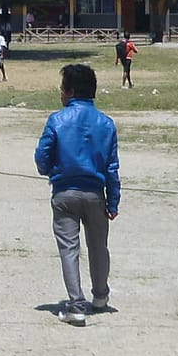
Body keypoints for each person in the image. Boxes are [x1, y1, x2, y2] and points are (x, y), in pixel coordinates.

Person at [34, 62, 120, 327]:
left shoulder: (57, 120)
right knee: (98, 246)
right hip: (95, 193)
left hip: (64, 193)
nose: (60, 94)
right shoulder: (106, 124)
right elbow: (112, 166)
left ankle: (75, 305)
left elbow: (42, 157)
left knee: (69, 250)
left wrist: (50, 170)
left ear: (69, 92)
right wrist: (113, 201)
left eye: (62, 89)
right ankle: (101, 296)